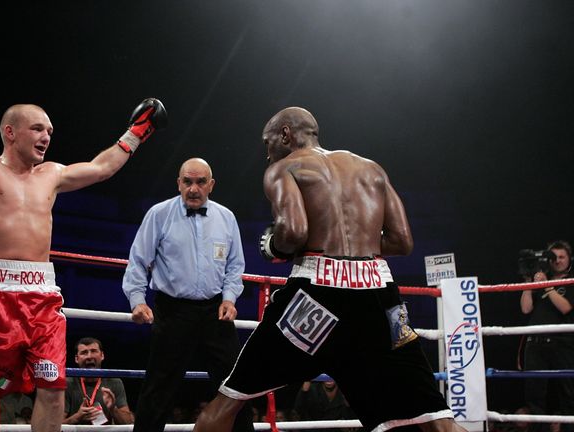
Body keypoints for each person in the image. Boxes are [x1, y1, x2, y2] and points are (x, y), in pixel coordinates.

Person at [0, 23, 166, 432]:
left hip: (42, 294)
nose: (46, 137)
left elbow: (101, 167)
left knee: (54, 389)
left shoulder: (52, 174)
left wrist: (137, 132)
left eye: (50, 131)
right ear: (10, 132)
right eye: (38, 129)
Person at [193, 107, 466, 432]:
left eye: (268, 143)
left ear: (285, 134)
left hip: (315, 297)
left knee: (230, 399)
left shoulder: (284, 168)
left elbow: (294, 232)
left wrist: (273, 246)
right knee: (435, 417)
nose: (267, 154)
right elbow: (402, 241)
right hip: (379, 297)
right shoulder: (372, 169)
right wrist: (359, 248)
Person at [122, 158, 253, 432]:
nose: (193, 189)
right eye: (188, 182)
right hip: (173, 311)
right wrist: (137, 300)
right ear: (178, 183)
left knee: (235, 385)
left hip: (216, 311)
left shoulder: (226, 217)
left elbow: (235, 265)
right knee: (159, 387)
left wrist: (229, 298)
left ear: (211, 185)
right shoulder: (159, 214)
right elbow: (138, 260)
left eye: (200, 182)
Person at [520, 240, 574, 432]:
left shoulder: (571, 281)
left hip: (562, 343)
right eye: (554, 257)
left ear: (569, 259)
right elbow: (526, 309)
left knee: (568, 392)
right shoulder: (542, 279)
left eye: (562, 257)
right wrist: (529, 284)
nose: (557, 261)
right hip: (536, 343)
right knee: (534, 395)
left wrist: (548, 286)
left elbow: (565, 307)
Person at [63, 337, 134, 425]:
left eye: (94, 351)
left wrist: (113, 408)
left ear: (102, 355)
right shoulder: (68, 383)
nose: (89, 356)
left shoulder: (114, 382)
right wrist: (77, 417)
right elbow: (55, 425)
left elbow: (128, 423)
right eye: (84, 352)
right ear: (77, 359)